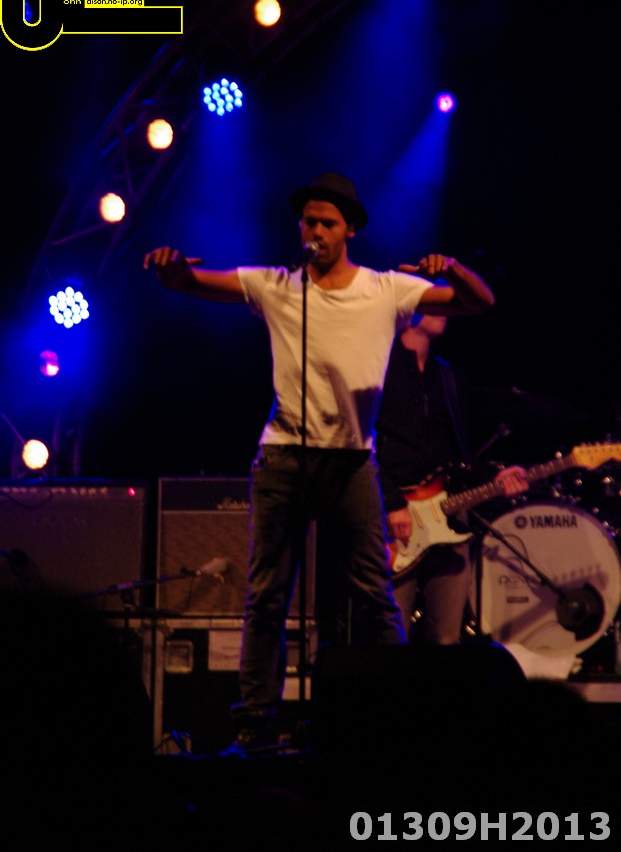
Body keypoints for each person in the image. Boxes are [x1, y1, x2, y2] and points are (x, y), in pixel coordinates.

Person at [143, 171, 498, 750]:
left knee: (374, 593)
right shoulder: (277, 285)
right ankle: (254, 726)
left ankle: (395, 723)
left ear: (349, 229)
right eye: (308, 221)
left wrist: (453, 269)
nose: (315, 231)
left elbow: (480, 302)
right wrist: (171, 268)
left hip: (352, 463)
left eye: (327, 223)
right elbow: (192, 283)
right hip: (284, 458)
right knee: (267, 596)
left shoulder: (386, 290)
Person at [375, 310, 529, 644]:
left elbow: (459, 457)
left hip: (449, 514)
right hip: (393, 519)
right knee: (390, 637)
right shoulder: (377, 368)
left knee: (446, 637)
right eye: (435, 303)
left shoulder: (448, 376)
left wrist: (496, 476)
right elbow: (360, 443)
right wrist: (392, 502)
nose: (445, 312)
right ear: (409, 309)